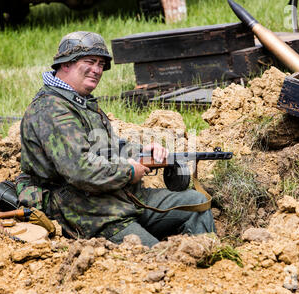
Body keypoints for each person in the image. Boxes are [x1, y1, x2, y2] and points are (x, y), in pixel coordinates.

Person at [17, 31, 217, 247]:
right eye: (90, 62)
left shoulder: (80, 102)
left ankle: (208, 267)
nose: (97, 70)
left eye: (101, 64)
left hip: (119, 199)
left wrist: (142, 152)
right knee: (155, 256)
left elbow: (109, 147)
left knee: (197, 203)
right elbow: (80, 169)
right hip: (87, 213)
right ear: (66, 64)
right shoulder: (51, 109)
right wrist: (128, 172)